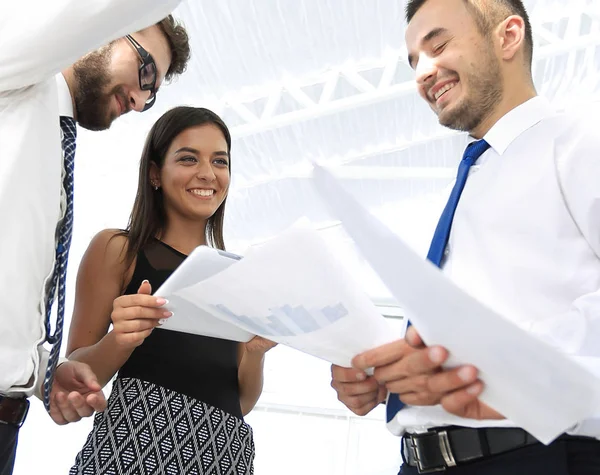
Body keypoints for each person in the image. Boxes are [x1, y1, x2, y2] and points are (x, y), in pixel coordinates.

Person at [330, 0, 600, 473]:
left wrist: (484, 366)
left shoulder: (580, 143)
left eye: (438, 45)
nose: (423, 73)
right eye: (413, 61)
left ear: (508, 36)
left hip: (533, 454)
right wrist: (390, 376)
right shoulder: (473, 177)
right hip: (419, 459)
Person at [0, 2, 190, 473]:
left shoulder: (49, 131)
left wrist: (44, 374)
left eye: (154, 93)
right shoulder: (19, 73)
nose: (142, 100)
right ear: (106, 28)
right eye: (146, 70)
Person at [66, 106, 274, 474]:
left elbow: (240, 402)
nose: (208, 174)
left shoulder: (239, 276)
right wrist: (123, 339)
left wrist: (256, 354)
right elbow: (76, 376)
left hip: (222, 455)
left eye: (220, 162)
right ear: (154, 174)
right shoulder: (116, 249)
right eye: (188, 158)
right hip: (132, 451)